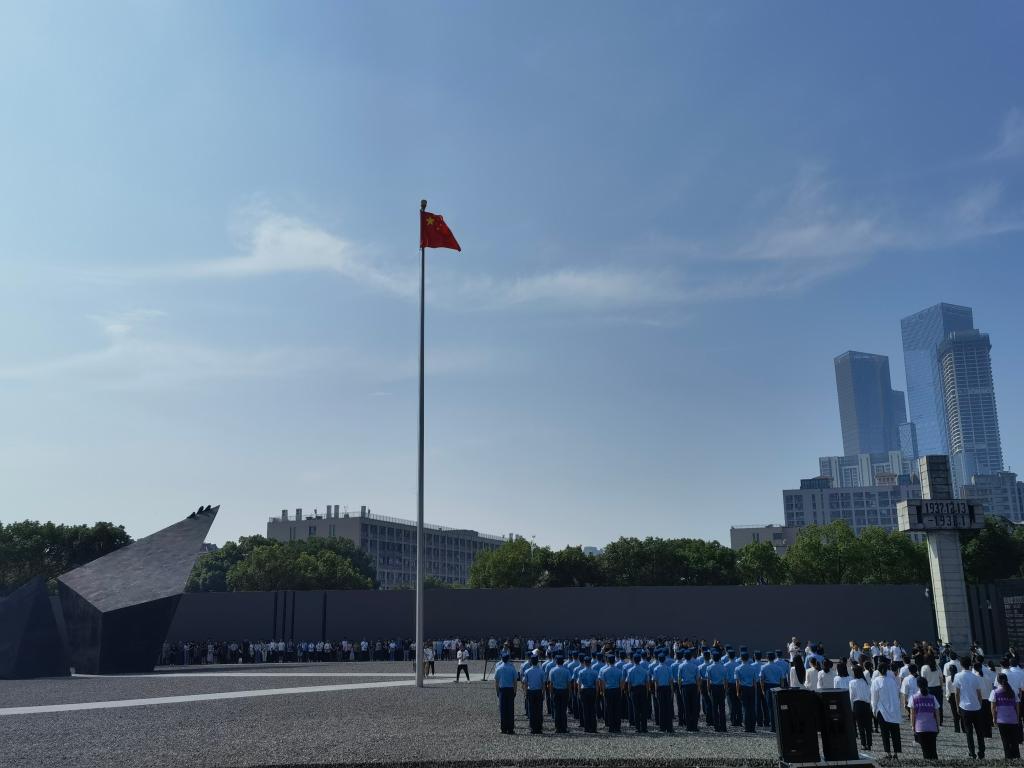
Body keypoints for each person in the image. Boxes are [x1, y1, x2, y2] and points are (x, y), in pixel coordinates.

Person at [954, 655, 987, 759]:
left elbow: (957, 693)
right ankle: (981, 751)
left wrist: (957, 706)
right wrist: (980, 705)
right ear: (970, 664)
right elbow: (979, 694)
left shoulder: (958, 676)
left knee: (969, 732)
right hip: (976, 706)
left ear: (961, 664)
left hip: (964, 706)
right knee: (979, 731)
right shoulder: (975, 676)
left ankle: (972, 752)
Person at [870, 661, 902, 758]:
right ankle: (896, 753)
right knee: (895, 732)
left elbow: (874, 698)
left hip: (882, 710)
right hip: (894, 709)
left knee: (885, 733)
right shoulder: (892, 680)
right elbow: (897, 694)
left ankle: (888, 753)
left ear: (878, 670)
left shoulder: (876, 681)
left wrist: (874, 710)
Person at [990, 672, 1022, 759]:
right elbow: (1017, 706)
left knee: (1005, 741)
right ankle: (1016, 758)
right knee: (1014, 740)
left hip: (1002, 720)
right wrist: (1017, 717)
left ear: (998, 681)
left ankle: (1008, 758)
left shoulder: (994, 692)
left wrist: (994, 718)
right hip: (1013, 719)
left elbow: (993, 707)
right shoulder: (1012, 691)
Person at [910, 676, 940, 760]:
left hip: (920, 728)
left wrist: (913, 726)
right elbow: (937, 713)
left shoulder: (913, 698)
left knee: (925, 751)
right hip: (932, 727)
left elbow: (912, 714)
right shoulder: (932, 697)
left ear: (918, 685)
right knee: (933, 751)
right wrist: (938, 726)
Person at [849, 665, 873, 751]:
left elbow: (851, 696)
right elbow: (870, 695)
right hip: (866, 705)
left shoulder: (852, 682)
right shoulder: (866, 682)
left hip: (857, 705)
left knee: (860, 726)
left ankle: (863, 744)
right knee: (868, 726)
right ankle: (869, 744)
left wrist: (851, 708)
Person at [494, 651, 518, 734]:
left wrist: (497, 692)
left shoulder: (498, 668)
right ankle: (510, 728)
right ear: (508, 659)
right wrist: (515, 691)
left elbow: (496, 682)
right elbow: (515, 681)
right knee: (510, 710)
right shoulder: (512, 668)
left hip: (502, 690)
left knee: (503, 710)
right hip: (510, 689)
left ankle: (503, 728)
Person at [735, 649, 759, 733]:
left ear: (741, 658)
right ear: (748, 658)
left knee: (745, 708)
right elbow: (755, 681)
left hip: (743, 688)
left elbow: (737, 682)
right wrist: (755, 690)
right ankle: (753, 727)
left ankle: (747, 727)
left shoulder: (738, 668)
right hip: (751, 688)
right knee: (752, 708)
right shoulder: (753, 668)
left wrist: (737, 692)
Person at [599, 651, 624, 733]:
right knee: (617, 709)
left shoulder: (604, 671)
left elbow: (603, 683)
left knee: (609, 709)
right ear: (614, 661)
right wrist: (620, 691)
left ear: (607, 661)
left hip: (608, 690)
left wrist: (603, 692)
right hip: (617, 690)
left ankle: (611, 727)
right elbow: (621, 683)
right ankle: (618, 727)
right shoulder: (619, 671)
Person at [521, 653, 546, 734]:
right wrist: (543, 693)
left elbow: (525, 684)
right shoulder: (541, 671)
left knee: (531, 710)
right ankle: (539, 728)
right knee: (539, 710)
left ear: (531, 662)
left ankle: (532, 728)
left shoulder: (527, 671)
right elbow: (543, 684)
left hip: (530, 691)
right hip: (538, 691)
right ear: (537, 661)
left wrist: (525, 693)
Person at [626, 652, 651, 733]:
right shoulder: (645, 671)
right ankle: (644, 727)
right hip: (643, 689)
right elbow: (647, 683)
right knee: (643, 709)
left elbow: (629, 683)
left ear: (633, 660)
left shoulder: (630, 670)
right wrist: (647, 692)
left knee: (635, 709)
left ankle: (637, 727)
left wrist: (629, 691)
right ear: (640, 660)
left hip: (634, 690)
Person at [548, 653, 572, 733]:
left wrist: (551, 693)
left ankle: (557, 728)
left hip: (556, 691)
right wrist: (569, 693)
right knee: (563, 710)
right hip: (564, 691)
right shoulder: (567, 671)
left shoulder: (552, 670)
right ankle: (564, 727)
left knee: (557, 710)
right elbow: (569, 683)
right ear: (563, 662)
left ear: (556, 661)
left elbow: (551, 683)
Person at [652, 652, 676, 732]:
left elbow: (656, 682)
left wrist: (656, 691)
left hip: (660, 689)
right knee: (668, 708)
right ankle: (669, 727)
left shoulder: (656, 669)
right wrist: (672, 691)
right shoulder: (669, 668)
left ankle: (662, 727)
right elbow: (671, 681)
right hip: (668, 688)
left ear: (658, 659)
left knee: (661, 708)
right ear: (665, 659)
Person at [678, 648, 700, 732]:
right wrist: (698, 688)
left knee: (686, 707)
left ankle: (688, 726)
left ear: (684, 657)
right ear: (691, 657)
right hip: (693, 686)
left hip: (685, 687)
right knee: (694, 707)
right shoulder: (695, 666)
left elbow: (679, 678)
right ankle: (694, 726)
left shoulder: (681, 666)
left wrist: (680, 687)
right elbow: (697, 679)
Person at [577, 655, 599, 733]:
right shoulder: (595, 672)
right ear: (590, 663)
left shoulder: (581, 672)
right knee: (593, 710)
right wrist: (597, 692)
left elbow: (579, 684)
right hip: (592, 690)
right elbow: (597, 684)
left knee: (585, 710)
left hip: (584, 690)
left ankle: (586, 728)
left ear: (584, 663)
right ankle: (593, 728)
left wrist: (579, 693)